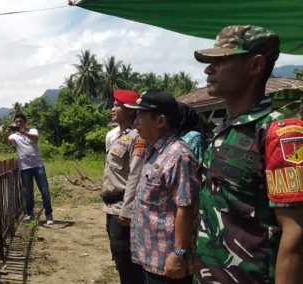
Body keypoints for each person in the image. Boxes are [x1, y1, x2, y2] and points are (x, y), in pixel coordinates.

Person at [193, 25, 303, 284]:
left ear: (255, 65)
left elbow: (296, 233)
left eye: (220, 61)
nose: (209, 69)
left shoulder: (281, 132)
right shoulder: (224, 129)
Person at [125, 89, 200, 284]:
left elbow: (186, 207)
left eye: (140, 115)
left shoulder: (178, 155)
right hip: (150, 256)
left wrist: (177, 253)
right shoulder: (156, 150)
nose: (135, 121)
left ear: (160, 121)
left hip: (167, 262)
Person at [101, 90, 146, 284]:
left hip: (123, 210)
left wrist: (127, 211)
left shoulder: (138, 137)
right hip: (112, 208)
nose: (113, 108)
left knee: (127, 261)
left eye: (117, 105)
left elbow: (135, 175)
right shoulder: (119, 136)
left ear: (129, 110)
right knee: (119, 257)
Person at [4, 113, 54, 224]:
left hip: (38, 165)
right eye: (16, 122)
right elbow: (7, 143)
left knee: (44, 190)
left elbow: (36, 139)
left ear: (25, 122)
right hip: (24, 167)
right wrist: (6, 134)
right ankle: (29, 213)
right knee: (27, 192)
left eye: (20, 121)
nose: (18, 123)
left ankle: (49, 214)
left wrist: (25, 133)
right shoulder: (14, 136)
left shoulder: (32, 131)